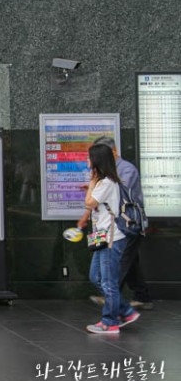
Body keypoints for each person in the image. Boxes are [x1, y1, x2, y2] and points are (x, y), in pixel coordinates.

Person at [76, 144, 140, 334]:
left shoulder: (106, 182)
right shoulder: (104, 182)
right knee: (95, 277)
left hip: (111, 236)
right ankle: (126, 311)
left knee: (108, 281)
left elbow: (89, 202)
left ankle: (110, 321)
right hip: (100, 234)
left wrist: (92, 182)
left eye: (89, 159)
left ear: (97, 161)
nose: (87, 162)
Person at [86, 136, 152, 310]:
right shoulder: (104, 177)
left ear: (112, 152)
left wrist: (95, 187)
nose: (90, 161)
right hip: (107, 228)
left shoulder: (122, 171)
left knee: (117, 263)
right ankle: (141, 296)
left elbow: (104, 198)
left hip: (125, 225)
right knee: (129, 262)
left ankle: (112, 299)